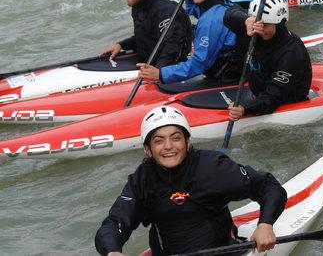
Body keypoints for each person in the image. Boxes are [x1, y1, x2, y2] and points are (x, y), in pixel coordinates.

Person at [95, 105, 287, 256]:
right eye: (159, 140)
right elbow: (114, 223)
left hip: (222, 253)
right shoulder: (142, 179)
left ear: (187, 142)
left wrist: (265, 224)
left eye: (176, 138)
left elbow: (268, 186)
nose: (168, 146)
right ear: (148, 150)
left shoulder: (213, 167)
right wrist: (112, 251)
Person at [137, 0, 245, 85]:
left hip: (226, 77)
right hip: (232, 65)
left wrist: (161, 74)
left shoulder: (210, 20)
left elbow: (200, 62)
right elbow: (194, 9)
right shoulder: (223, 3)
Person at [224, 0, 312, 119]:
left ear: (279, 23)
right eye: (256, 23)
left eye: (264, 25)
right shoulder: (257, 29)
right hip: (259, 91)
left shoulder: (291, 54)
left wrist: (244, 109)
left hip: (285, 102)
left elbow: (272, 99)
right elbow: (229, 14)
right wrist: (246, 20)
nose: (259, 29)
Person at [100, 0, 192, 68]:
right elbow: (146, 38)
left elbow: (173, 48)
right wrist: (121, 45)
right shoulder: (138, 7)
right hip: (147, 63)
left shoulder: (166, 11)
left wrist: (158, 72)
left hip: (168, 69)